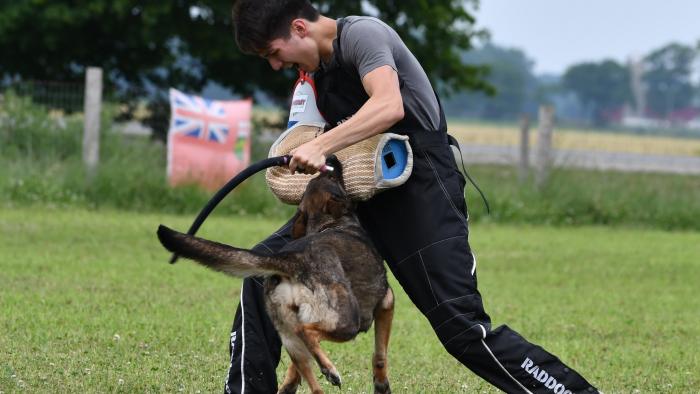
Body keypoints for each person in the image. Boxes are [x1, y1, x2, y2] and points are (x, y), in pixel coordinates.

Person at [225, 1, 600, 393]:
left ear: (299, 28)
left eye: (272, 52)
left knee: (462, 329)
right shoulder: (312, 74)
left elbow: (388, 105)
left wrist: (325, 145)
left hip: (421, 190)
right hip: (357, 197)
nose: (274, 64)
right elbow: (307, 133)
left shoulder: (362, 36)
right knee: (263, 270)